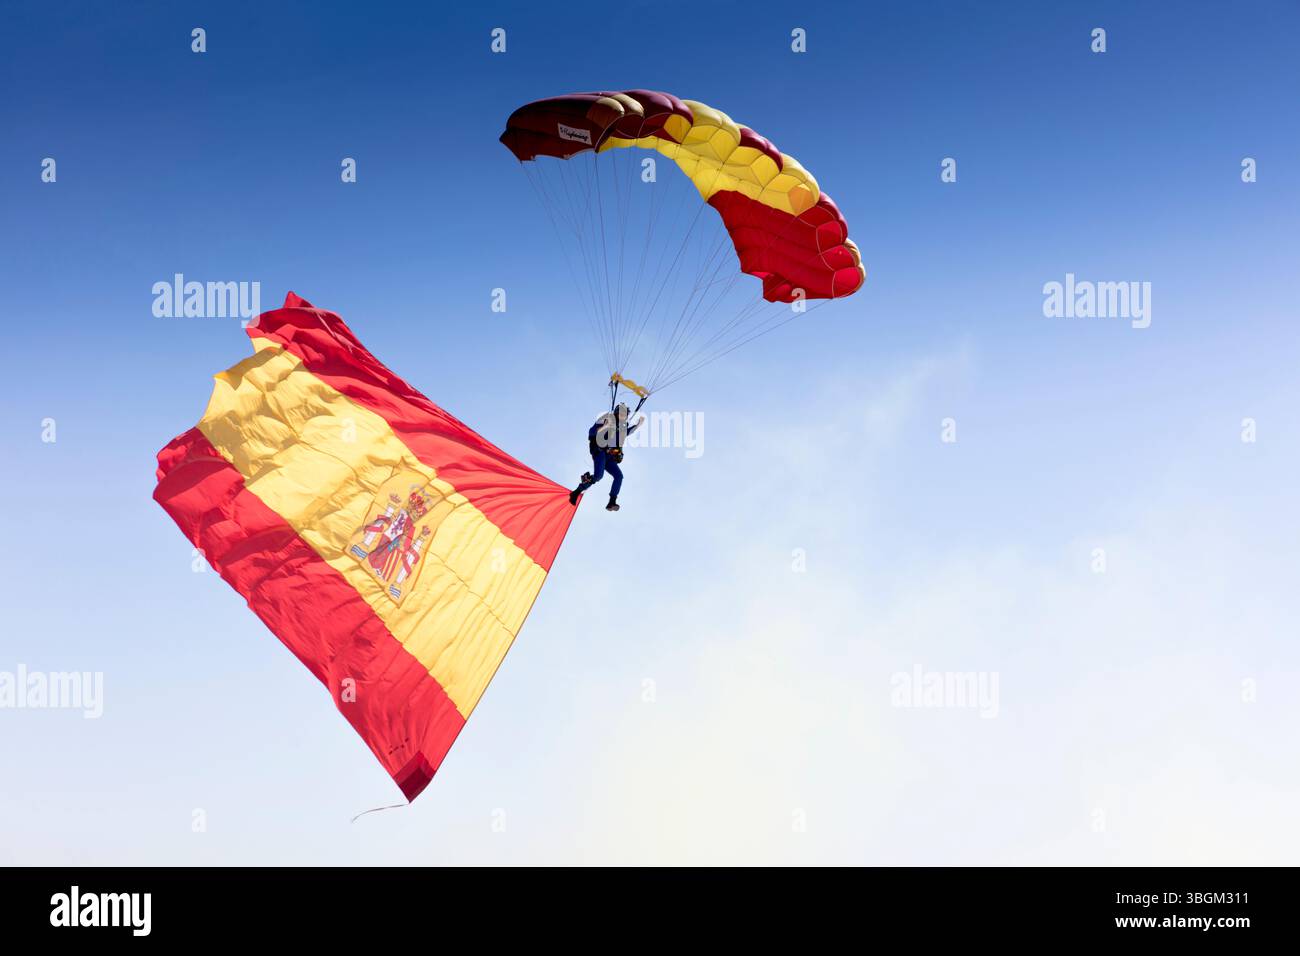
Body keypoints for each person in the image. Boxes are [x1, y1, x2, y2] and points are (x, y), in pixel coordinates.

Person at [569, 403, 644, 511]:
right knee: (599, 476)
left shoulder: (621, 429)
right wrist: (605, 426)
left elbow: (627, 432)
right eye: (621, 414)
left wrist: (638, 425)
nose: (623, 417)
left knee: (619, 476)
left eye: (625, 415)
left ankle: (612, 502)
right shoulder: (606, 419)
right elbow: (592, 432)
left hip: (609, 457)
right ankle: (576, 492)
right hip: (599, 451)